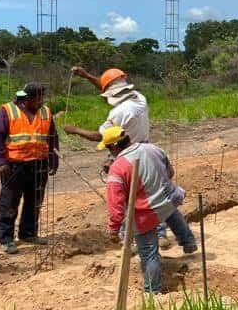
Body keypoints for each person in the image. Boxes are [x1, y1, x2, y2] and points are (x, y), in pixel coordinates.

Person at [64, 66, 169, 247]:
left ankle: (130, 237)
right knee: (151, 193)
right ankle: (160, 233)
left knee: (129, 198)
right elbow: (108, 88)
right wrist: (87, 75)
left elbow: (102, 137)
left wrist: (75, 130)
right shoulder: (139, 98)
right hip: (146, 151)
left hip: (128, 156)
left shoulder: (118, 113)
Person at [101, 127, 198, 294]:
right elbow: (170, 172)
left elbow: (116, 206)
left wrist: (113, 230)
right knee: (170, 212)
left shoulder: (118, 168)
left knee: (149, 254)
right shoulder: (152, 148)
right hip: (168, 198)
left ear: (114, 147)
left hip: (145, 214)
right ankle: (188, 242)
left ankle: (153, 292)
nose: (110, 153)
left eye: (109, 149)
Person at [0, 83, 59, 254]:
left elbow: (52, 137)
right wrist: (1, 162)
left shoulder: (46, 112)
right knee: (10, 203)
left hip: (39, 164)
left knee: (34, 201)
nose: (41, 101)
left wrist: (53, 159)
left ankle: (28, 233)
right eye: (37, 98)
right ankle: (6, 238)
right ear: (27, 99)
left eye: (42, 97)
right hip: (14, 166)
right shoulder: (7, 111)